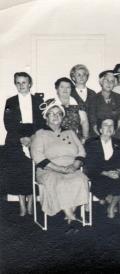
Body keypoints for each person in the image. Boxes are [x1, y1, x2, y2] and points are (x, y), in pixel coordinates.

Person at [30, 99, 89, 222]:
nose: (56, 116)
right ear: (46, 117)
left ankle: (69, 215)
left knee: (82, 180)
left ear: (62, 117)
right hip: (49, 170)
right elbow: (38, 157)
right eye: (52, 113)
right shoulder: (40, 134)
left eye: (59, 113)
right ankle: (71, 216)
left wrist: (74, 166)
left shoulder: (70, 133)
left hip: (70, 168)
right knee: (60, 183)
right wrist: (60, 169)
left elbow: (81, 152)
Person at [3, 72, 44, 216]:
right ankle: (22, 205)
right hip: (15, 137)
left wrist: (32, 138)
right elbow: (8, 123)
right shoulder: (11, 101)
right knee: (18, 172)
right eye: (18, 83)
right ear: (15, 84)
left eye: (24, 82)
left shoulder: (38, 101)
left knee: (31, 171)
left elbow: (41, 122)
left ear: (30, 83)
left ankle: (31, 203)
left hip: (34, 135)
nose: (21, 85)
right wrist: (21, 138)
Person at [84, 118, 120, 218]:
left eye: (111, 125)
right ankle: (109, 199)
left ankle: (111, 206)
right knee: (101, 183)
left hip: (115, 173)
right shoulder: (91, 142)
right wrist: (106, 173)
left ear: (114, 130)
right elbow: (89, 164)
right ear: (100, 129)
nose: (109, 128)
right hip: (99, 173)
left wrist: (119, 172)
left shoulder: (119, 143)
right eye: (105, 125)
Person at [88, 70, 120, 139]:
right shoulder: (93, 98)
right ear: (101, 82)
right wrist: (101, 134)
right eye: (106, 80)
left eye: (112, 81)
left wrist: (114, 130)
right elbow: (92, 119)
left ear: (114, 84)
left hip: (115, 132)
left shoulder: (119, 97)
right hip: (98, 132)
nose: (109, 83)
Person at [54, 77, 89, 143]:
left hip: (75, 140)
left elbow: (84, 122)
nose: (65, 90)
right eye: (62, 87)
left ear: (71, 89)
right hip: (56, 140)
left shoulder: (78, 104)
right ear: (57, 89)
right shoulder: (51, 104)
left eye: (68, 87)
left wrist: (85, 138)